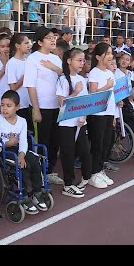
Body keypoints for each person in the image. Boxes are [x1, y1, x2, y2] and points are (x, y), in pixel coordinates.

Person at [0, 90, 48, 214]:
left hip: (18, 150)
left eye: (8, 106)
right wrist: (6, 143)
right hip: (2, 151)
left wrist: (21, 155)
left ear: (17, 107)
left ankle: (37, 192)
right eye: (2, 105)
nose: (4, 109)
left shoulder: (22, 121)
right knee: (23, 166)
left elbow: (23, 141)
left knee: (35, 160)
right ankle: (24, 196)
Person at [23, 26, 64, 185]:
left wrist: (53, 67)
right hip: (42, 106)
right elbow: (30, 86)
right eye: (48, 38)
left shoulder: (55, 58)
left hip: (57, 106)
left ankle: (50, 170)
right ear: (40, 42)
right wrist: (36, 109)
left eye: (54, 37)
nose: (53, 39)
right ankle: (40, 172)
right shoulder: (33, 59)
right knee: (43, 142)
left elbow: (63, 74)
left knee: (55, 140)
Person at [56, 48, 91, 198]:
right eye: (79, 60)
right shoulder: (63, 80)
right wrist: (75, 92)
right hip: (66, 124)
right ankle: (68, 184)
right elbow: (61, 103)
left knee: (84, 150)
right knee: (68, 154)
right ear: (69, 61)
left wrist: (84, 117)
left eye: (83, 60)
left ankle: (86, 177)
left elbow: (86, 102)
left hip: (80, 123)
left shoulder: (82, 79)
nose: (82, 63)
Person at [87, 42, 117, 189]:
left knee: (106, 143)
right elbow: (93, 93)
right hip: (97, 113)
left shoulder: (110, 73)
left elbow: (112, 96)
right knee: (97, 144)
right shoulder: (94, 72)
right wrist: (107, 86)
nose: (111, 56)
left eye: (111, 53)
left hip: (109, 112)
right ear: (99, 57)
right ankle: (93, 173)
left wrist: (115, 115)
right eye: (108, 54)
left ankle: (100, 170)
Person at [6, 33, 33, 131]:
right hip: (19, 105)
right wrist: (25, 76)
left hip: (29, 103)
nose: (28, 45)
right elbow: (13, 87)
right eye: (26, 43)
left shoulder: (27, 61)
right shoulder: (12, 63)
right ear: (17, 46)